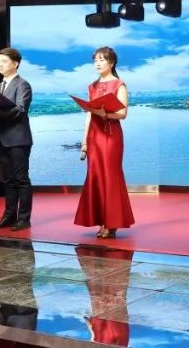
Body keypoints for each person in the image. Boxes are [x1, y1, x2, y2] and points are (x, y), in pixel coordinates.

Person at [74, 47, 135, 238]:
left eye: (102, 59)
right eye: (96, 60)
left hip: (110, 134)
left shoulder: (119, 84)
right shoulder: (91, 86)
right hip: (95, 135)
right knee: (96, 176)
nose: (98, 63)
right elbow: (89, 115)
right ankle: (101, 221)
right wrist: (84, 141)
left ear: (112, 62)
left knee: (110, 176)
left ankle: (111, 222)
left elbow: (123, 113)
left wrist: (105, 114)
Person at [0, 47, 34, 231]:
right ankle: (9, 216)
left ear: (16, 63)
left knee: (21, 179)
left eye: (4, 61)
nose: (0, 65)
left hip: (18, 139)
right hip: (1, 139)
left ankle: (24, 219)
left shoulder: (23, 85)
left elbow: (20, 110)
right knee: (8, 180)